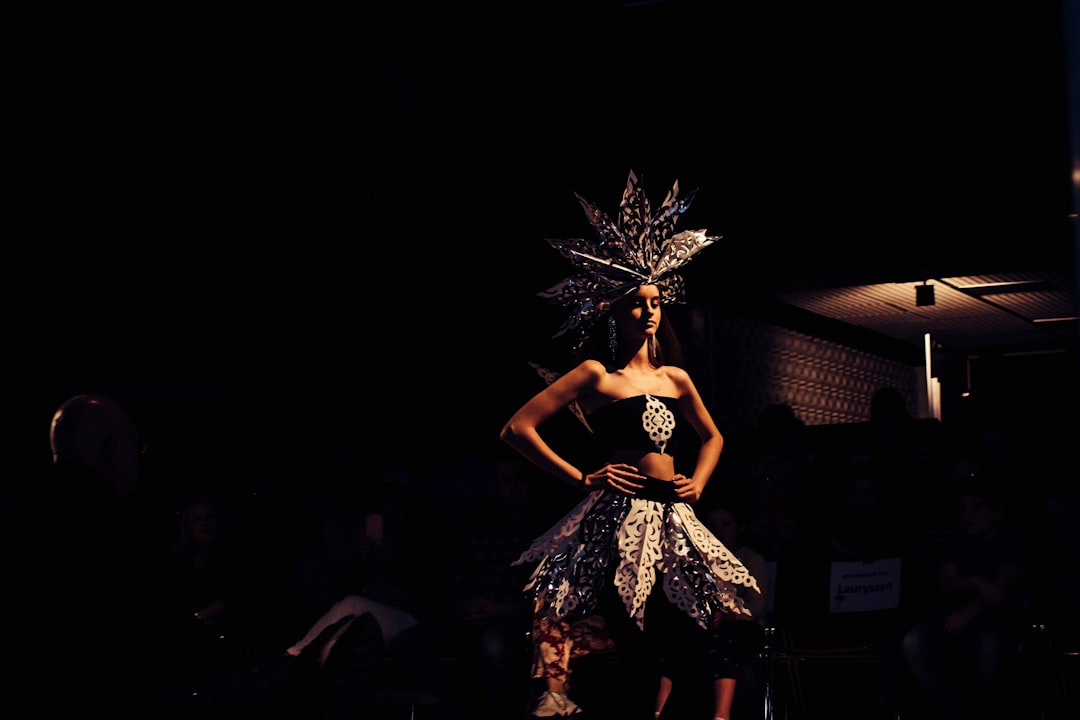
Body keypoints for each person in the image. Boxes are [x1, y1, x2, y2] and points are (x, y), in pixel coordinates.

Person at [501, 171, 761, 720]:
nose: (649, 311)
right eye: (637, 303)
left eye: (655, 301)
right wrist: (581, 476)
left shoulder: (676, 379)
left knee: (692, 645)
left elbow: (713, 436)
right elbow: (518, 428)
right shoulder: (597, 374)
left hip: (673, 518)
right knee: (641, 644)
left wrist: (701, 480)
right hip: (620, 516)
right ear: (614, 312)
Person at [0, 393, 170, 717]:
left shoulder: (14, 517)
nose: (138, 456)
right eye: (135, 445)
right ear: (113, 448)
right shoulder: (116, 527)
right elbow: (143, 641)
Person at [894, 464, 1032, 720]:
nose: (967, 514)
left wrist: (969, 610)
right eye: (963, 508)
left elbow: (999, 591)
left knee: (990, 642)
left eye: (976, 507)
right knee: (914, 641)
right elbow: (948, 580)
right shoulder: (955, 542)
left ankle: (988, 711)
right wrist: (977, 580)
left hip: (996, 614)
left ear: (997, 512)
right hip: (953, 610)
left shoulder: (1013, 541)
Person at [653, 499, 771, 720]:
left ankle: (721, 714)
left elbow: (756, 606)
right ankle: (660, 711)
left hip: (742, 627)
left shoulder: (751, 559)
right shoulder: (696, 560)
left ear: (740, 528)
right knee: (676, 641)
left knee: (723, 639)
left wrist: (727, 614)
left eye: (726, 524)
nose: (718, 530)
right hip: (701, 625)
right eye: (712, 524)